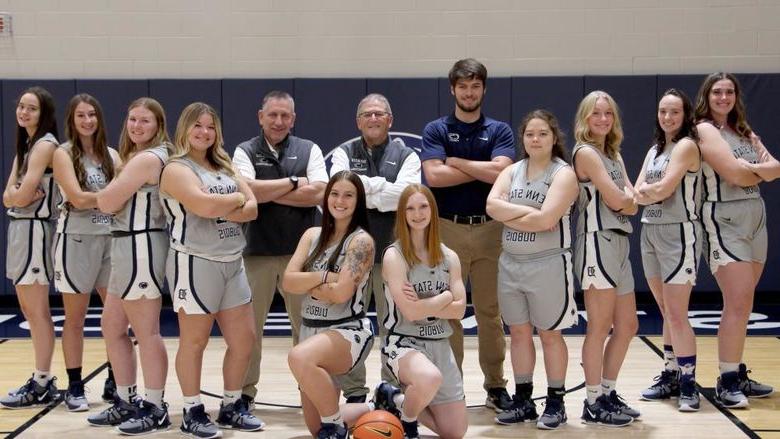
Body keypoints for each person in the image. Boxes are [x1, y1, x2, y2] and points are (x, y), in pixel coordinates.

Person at [160, 102, 263, 438]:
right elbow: (202, 206)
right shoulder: (177, 168)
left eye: (210, 126)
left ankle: (232, 405)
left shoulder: (225, 164)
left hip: (232, 260)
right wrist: (234, 200)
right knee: (194, 342)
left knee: (243, 340)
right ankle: (191, 409)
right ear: (185, 129)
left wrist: (224, 204)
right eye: (197, 126)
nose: (204, 132)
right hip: (195, 260)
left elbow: (253, 210)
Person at [420, 58, 514, 411]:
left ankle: (495, 386)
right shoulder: (436, 129)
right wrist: (481, 169)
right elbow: (435, 177)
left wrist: (456, 162)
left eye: (475, 86)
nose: (469, 92)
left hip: (491, 229)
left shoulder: (500, 130)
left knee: (490, 312)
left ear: (483, 89)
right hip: (447, 229)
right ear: (453, 90)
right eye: (463, 86)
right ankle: (451, 387)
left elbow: (501, 174)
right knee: (449, 310)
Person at [232, 90, 327, 407]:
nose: (278, 121)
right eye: (272, 114)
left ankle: (311, 393)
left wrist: (265, 190)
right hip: (255, 252)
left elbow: (318, 194)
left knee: (307, 328)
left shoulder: (309, 148)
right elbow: (247, 194)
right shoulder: (244, 150)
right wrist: (294, 182)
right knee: (249, 331)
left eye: (285, 115)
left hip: (300, 257)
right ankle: (245, 393)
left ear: (293, 119)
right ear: (261, 116)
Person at [486, 110, 579, 429]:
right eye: (529, 134)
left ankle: (556, 401)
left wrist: (510, 213)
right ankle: (524, 399)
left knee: (551, 335)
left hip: (549, 263)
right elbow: (490, 206)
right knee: (520, 334)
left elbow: (547, 220)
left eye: (542, 133)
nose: (535, 139)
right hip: (510, 263)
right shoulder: (512, 170)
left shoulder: (563, 173)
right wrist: (531, 214)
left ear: (554, 138)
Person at [694, 72, 779, 407]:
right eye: (717, 92)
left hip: (755, 214)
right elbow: (733, 173)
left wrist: (753, 168)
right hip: (724, 216)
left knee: (746, 303)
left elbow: (775, 168)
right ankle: (727, 380)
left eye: (729, 92)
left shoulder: (742, 129)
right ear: (707, 95)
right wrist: (755, 169)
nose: (723, 97)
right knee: (738, 300)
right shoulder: (703, 129)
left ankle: (737, 371)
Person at [89, 97, 173, 434]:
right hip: (125, 244)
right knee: (111, 326)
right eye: (132, 119)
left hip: (141, 243)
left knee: (146, 331)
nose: (136, 126)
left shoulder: (148, 158)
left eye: (145, 121)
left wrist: (105, 193)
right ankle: (125, 400)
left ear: (158, 126)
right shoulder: (133, 157)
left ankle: (155, 406)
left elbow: (106, 201)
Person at [330, 93, 421, 400]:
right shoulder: (344, 152)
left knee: (392, 325)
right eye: (367, 114)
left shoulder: (407, 154)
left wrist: (364, 187)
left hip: (392, 254)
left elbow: (405, 198)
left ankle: (389, 388)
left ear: (390, 120)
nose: (373, 118)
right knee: (350, 323)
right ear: (358, 121)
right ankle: (354, 390)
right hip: (351, 255)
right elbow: (341, 190)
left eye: (379, 114)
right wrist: (384, 188)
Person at [283, 171, 375, 439]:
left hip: (346, 331)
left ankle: (335, 427)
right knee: (315, 428)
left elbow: (341, 294)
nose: (340, 200)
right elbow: (288, 282)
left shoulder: (361, 241)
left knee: (299, 357)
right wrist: (324, 277)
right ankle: (379, 404)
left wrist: (307, 282)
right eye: (334, 193)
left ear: (358, 201)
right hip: (310, 330)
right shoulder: (311, 235)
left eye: (348, 195)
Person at [571, 91, 639, 427]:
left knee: (628, 325)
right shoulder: (585, 153)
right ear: (585, 118)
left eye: (608, 114)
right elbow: (618, 199)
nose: (602, 119)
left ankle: (609, 392)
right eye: (596, 113)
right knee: (599, 326)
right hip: (597, 241)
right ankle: (593, 400)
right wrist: (626, 199)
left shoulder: (613, 153)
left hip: (620, 241)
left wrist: (627, 199)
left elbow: (634, 203)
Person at [380, 183, 468, 439]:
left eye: (423, 206)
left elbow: (460, 311)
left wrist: (425, 304)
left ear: (432, 210)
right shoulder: (394, 256)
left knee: (455, 432)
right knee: (429, 377)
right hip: (404, 343)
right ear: (402, 214)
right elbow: (411, 313)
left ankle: (394, 399)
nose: (417, 214)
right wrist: (445, 297)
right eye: (410, 208)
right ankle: (408, 422)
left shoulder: (449, 257)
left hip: (440, 344)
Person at [634, 89, 703, 412]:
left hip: (678, 233)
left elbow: (664, 189)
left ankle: (689, 382)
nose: (668, 118)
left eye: (674, 112)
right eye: (663, 111)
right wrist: (650, 193)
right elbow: (637, 194)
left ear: (685, 115)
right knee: (664, 308)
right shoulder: (655, 150)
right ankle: (671, 373)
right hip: (650, 231)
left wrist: (651, 192)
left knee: (677, 312)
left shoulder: (688, 146)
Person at [51, 94, 118, 412]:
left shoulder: (112, 155)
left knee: (116, 316)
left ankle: (116, 380)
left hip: (110, 239)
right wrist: (107, 196)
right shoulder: (63, 154)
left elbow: (120, 197)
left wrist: (98, 197)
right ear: (72, 120)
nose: (88, 120)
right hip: (76, 240)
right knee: (75, 318)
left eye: (92, 114)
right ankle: (75, 385)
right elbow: (77, 199)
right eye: (81, 116)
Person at [1, 87, 61, 409]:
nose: (24, 112)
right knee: (28, 309)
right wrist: (16, 193)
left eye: (32, 108)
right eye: (21, 106)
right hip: (20, 229)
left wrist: (16, 194)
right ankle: (41, 379)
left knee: (37, 312)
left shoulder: (44, 145)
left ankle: (42, 381)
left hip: (36, 230)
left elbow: (21, 197)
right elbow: (8, 196)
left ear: (44, 113)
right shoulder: (25, 146)